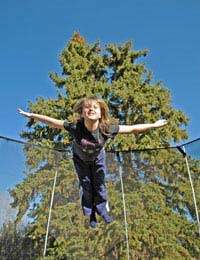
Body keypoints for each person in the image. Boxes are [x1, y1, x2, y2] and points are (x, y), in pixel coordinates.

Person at [18, 97, 168, 228]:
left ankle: (102, 211)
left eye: (95, 107)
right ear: (82, 113)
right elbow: (52, 122)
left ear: (101, 113)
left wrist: (154, 125)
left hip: (97, 159)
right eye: (87, 107)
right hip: (80, 160)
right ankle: (90, 214)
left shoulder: (106, 129)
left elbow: (133, 129)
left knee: (99, 185)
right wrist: (32, 115)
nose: (91, 109)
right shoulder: (76, 127)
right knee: (86, 185)